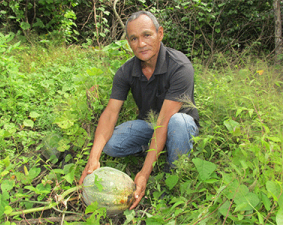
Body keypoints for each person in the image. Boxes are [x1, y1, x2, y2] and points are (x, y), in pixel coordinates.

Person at [79, 11, 199, 209]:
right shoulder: (126, 71)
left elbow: (165, 121)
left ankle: (175, 172)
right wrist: (93, 158)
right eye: (134, 38)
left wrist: (143, 174)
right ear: (128, 41)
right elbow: (110, 113)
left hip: (180, 125)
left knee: (177, 123)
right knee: (111, 144)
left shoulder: (180, 67)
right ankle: (158, 149)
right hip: (150, 125)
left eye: (147, 35)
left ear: (160, 33)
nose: (141, 43)